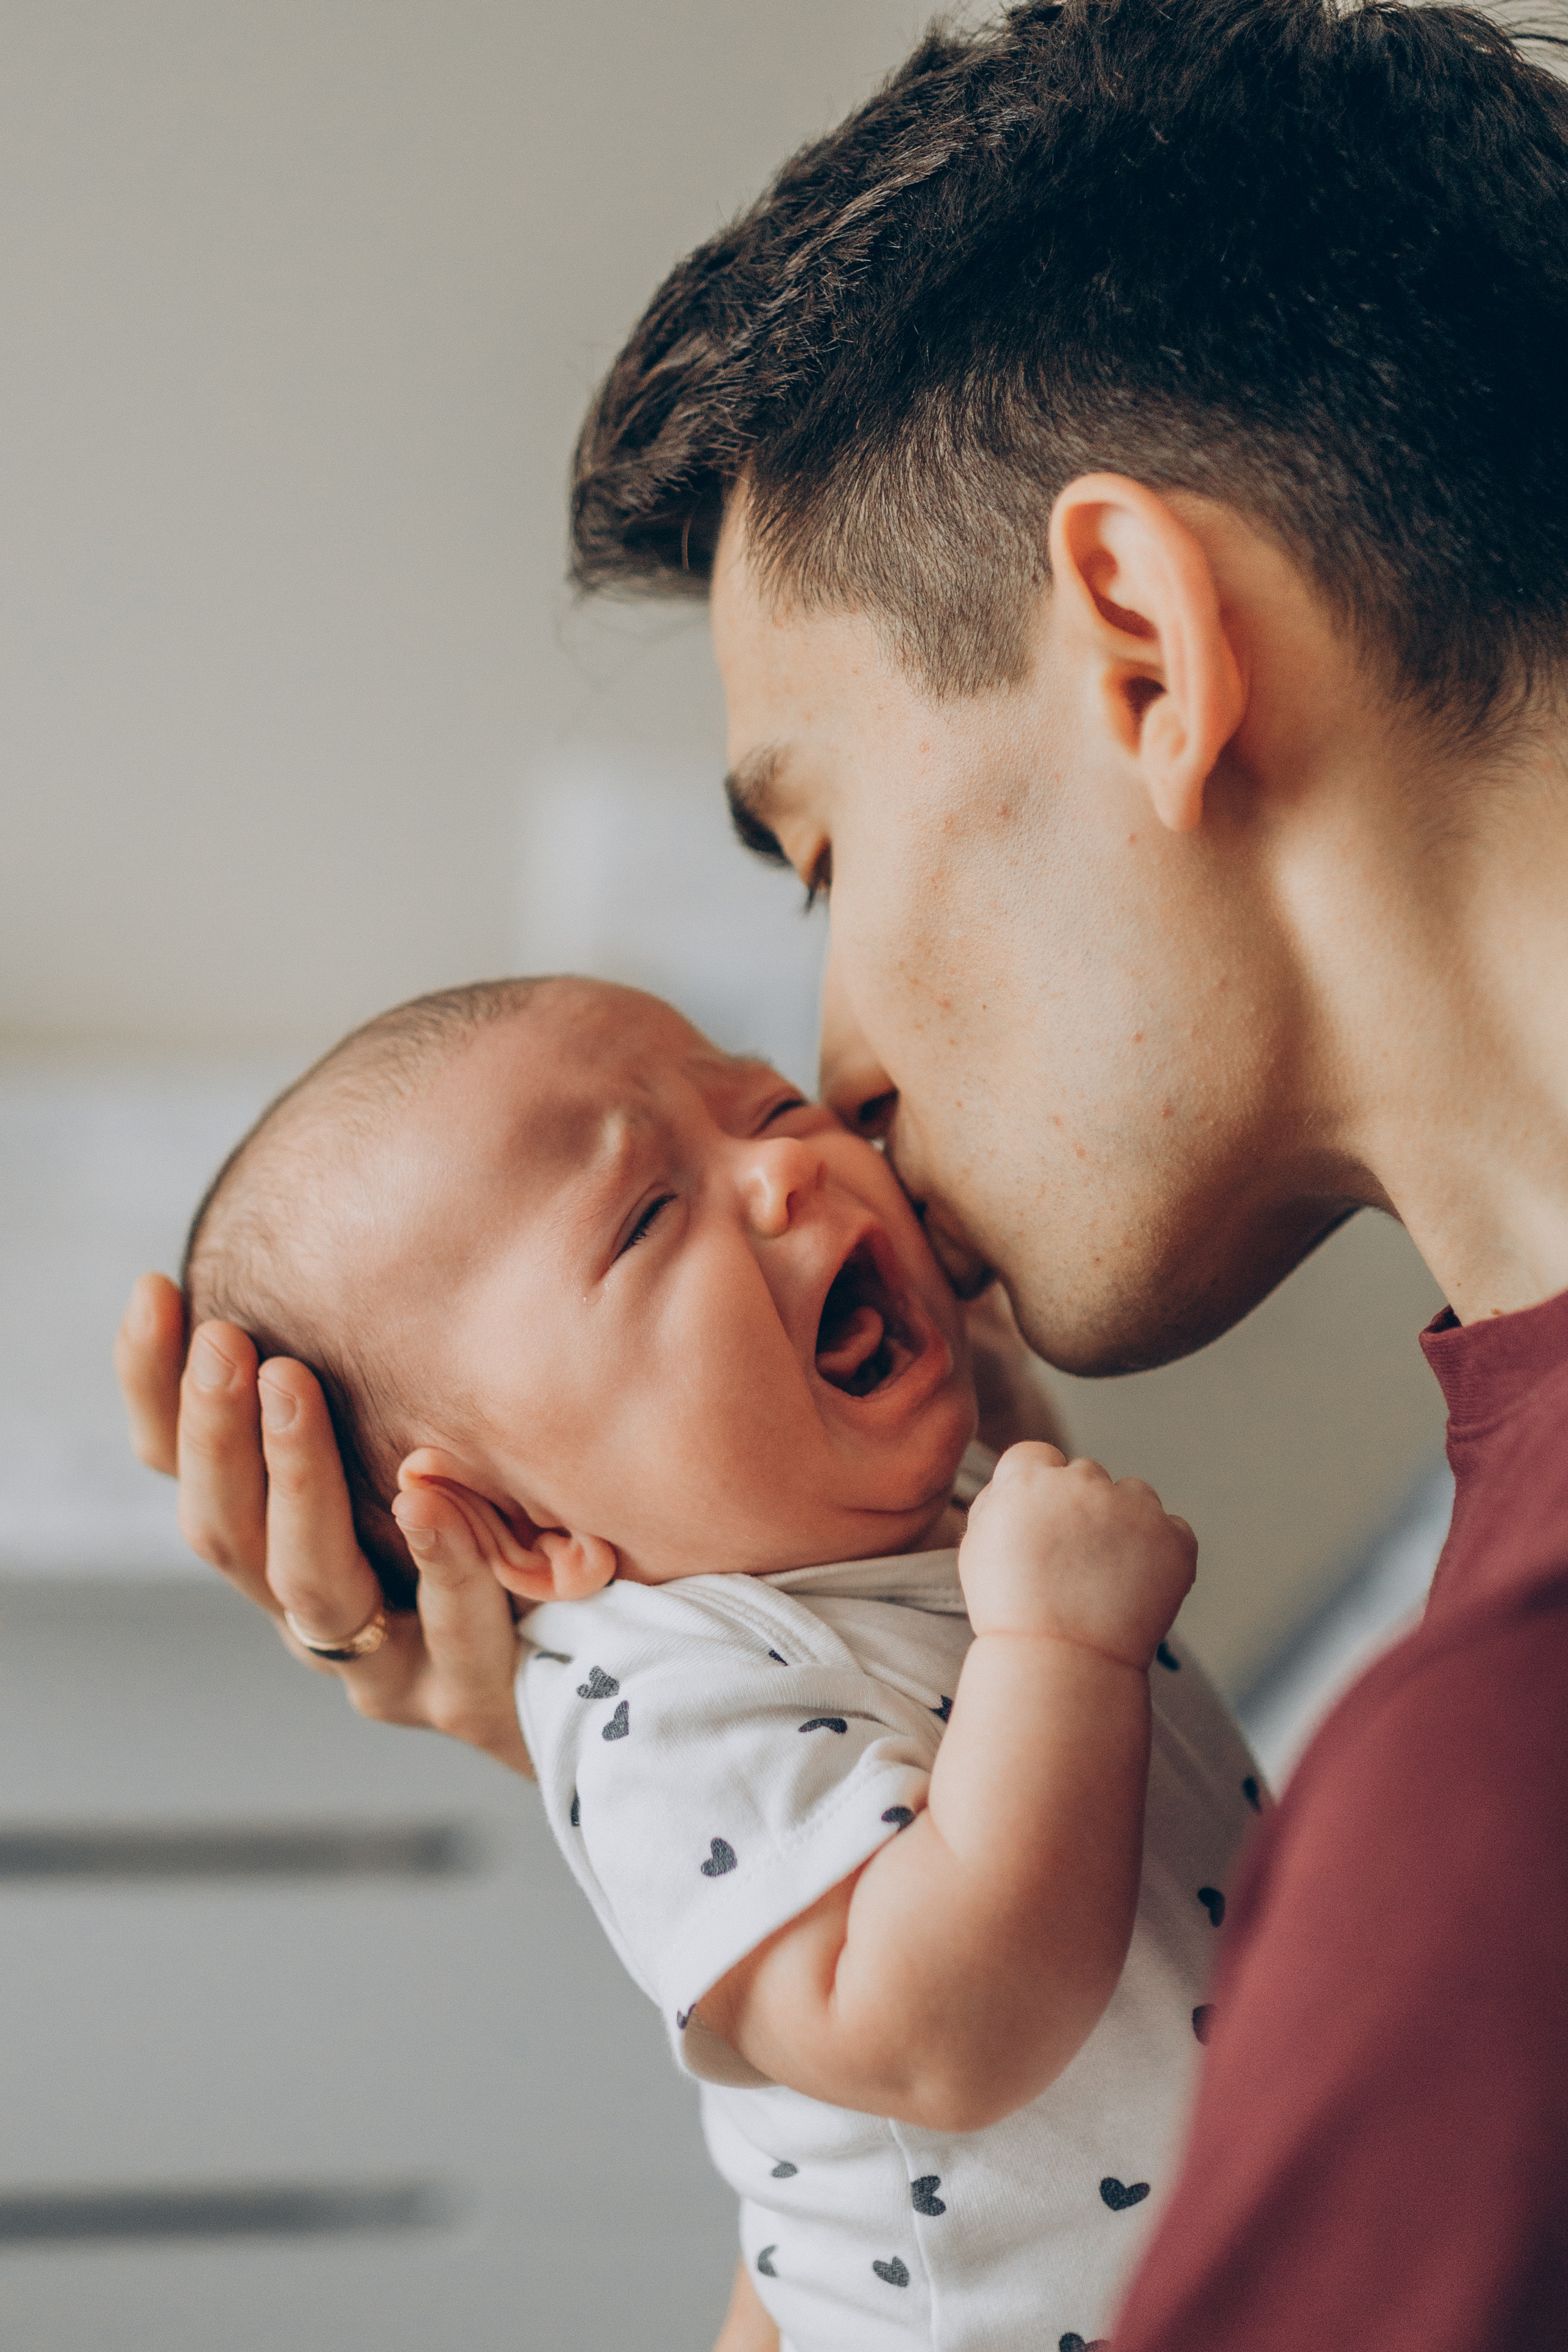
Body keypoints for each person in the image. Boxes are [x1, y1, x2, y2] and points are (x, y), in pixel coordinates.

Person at [118, 0, 1568, 2340]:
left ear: (1143, 651)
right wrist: (724, 1697)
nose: (840, 1087)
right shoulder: (1463, 1598)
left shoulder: (1488, 1808)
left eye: (820, 850)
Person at [179, 972, 1256, 2351]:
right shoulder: (661, 1708)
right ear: (518, 1527)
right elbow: (935, 2033)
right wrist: (1063, 1645)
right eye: (641, 1218)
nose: (785, 1170)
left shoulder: (868, 1518)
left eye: (762, 1102)